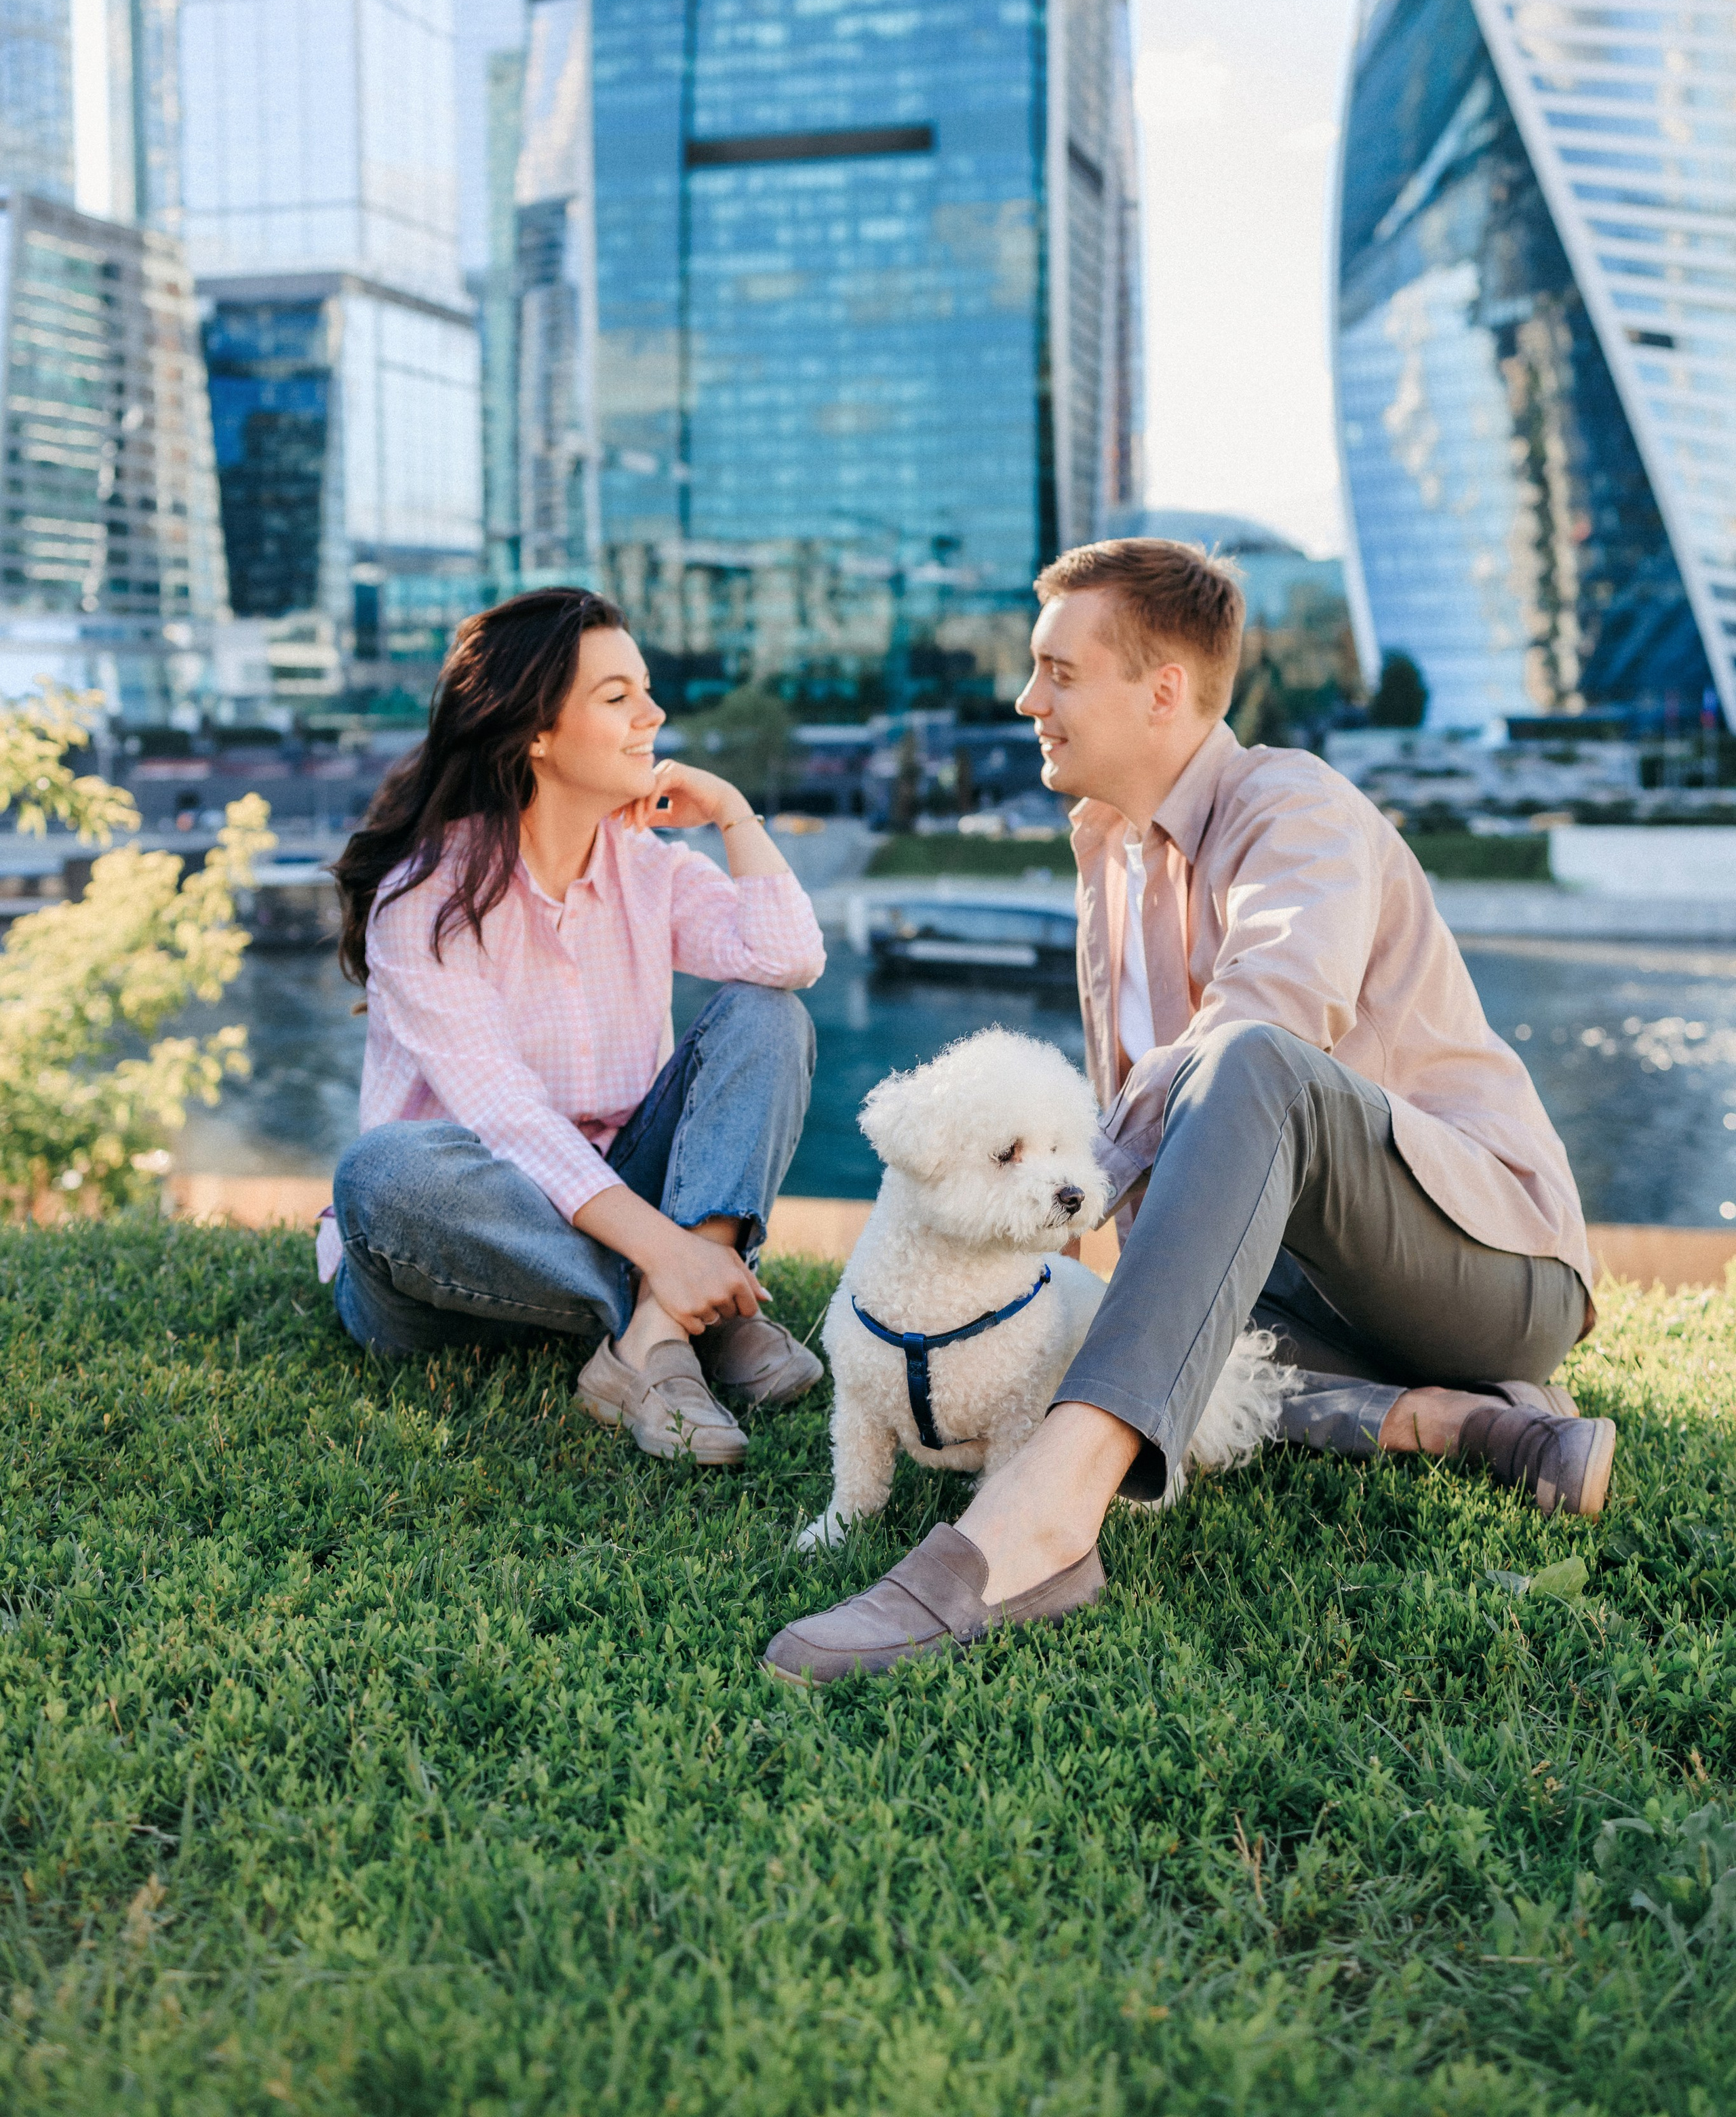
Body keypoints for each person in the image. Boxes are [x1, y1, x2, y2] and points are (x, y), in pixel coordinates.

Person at [764, 538, 1617, 1682]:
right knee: (1125, 1334)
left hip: (1492, 1272)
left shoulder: (1295, 806)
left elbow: (1272, 1019)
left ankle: (1044, 1523)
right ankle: (1464, 1424)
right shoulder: (1109, 862)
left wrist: (1090, 1167)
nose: (1029, 700)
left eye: (1059, 671)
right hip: (1315, 1289)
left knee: (1250, 1060)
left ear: (1163, 690)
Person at [327, 586, 827, 1469]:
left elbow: (786, 960)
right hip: (462, 1245)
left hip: (616, 1196)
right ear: (534, 733)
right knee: (386, 1171)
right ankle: (689, 1308)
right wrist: (669, 1248)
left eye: (646, 688)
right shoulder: (425, 899)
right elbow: (506, 1120)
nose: (655, 713)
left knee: (766, 1016)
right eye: (618, 696)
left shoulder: (650, 871)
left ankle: (655, 1341)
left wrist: (733, 813)